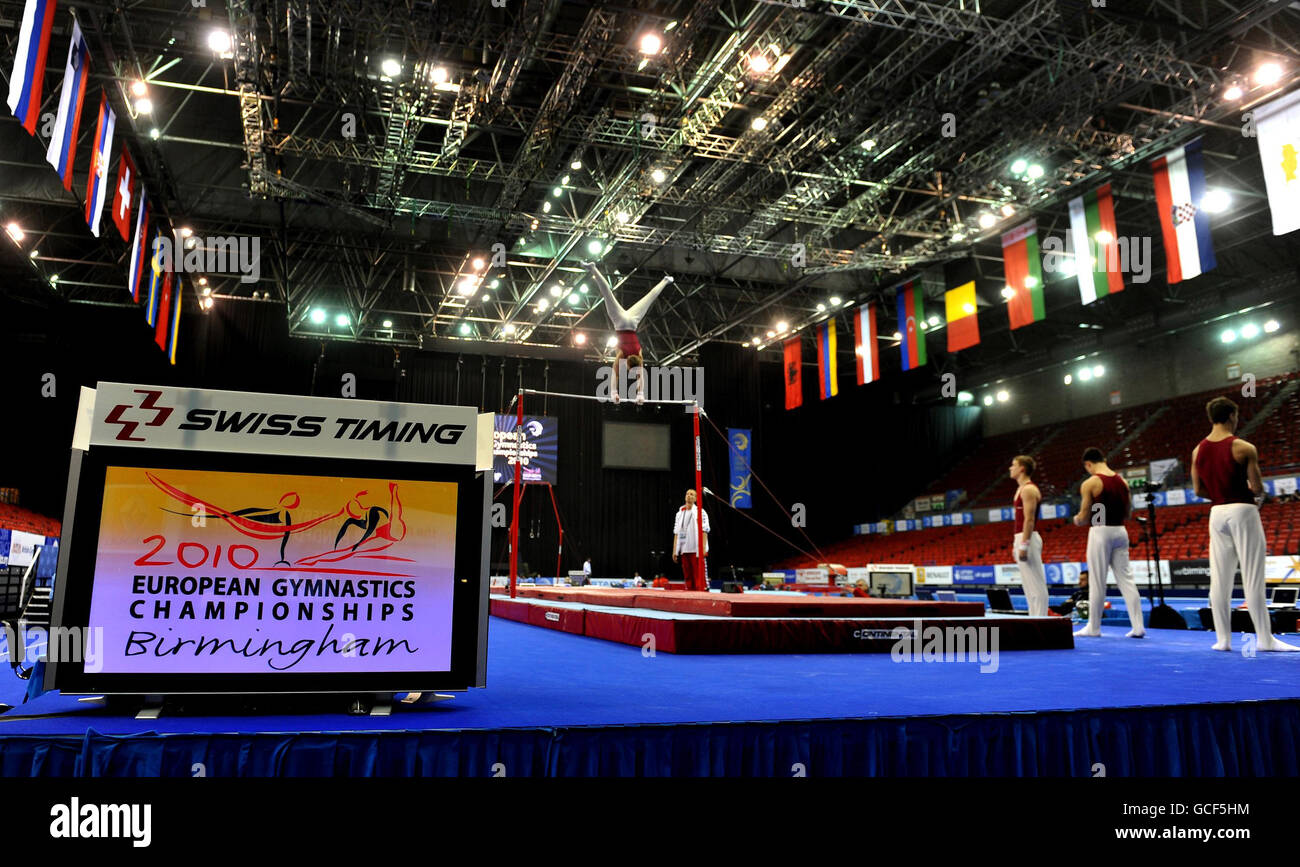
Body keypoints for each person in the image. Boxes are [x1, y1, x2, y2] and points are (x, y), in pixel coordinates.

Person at [1191, 396, 1298, 652]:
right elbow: (1258, 488)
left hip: (1216, 512)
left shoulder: (1197, 450)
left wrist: (1220, 494)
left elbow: (1198, 490)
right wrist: (1248, 493)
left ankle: (1222, 640)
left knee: (1219, 578)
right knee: (1252, 576)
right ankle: (1265, 640)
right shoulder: (1243, 447)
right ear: (1231, 416)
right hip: (1243, 509)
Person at [1071, 447, 1145, 638]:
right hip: (1120, 530)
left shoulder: (1091, 483)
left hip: (1100, 530)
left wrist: (1077, 519)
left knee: (1097, 581)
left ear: (1088, 464)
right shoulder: (1122, 481)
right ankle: (1138, 627)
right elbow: (1128, 513)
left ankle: (1093, 627)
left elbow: (1086, 515)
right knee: (1126, 580)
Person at [584, 262, 674, 403]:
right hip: (619, 322)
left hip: (633, 323)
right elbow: (615, 374)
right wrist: (614, 393)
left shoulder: (639, 355)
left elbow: (641, 377)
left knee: (649, 298)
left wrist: (640, 394)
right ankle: (592, 268)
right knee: (607, 293)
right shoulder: (622, 355)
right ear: (628, 365)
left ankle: (665, 280)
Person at [1009, 455, 1049, 617]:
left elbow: (1029, 519)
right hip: (1020, 536)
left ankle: (1041, 621)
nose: (1010, 468)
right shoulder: (1020, 489)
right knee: (1028, 586)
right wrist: (1016, 543)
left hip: (1029, 537)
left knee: (1036, 584)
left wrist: (1024, 544)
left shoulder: (1029, 489)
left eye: (1013, 465)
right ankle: (1034, 619)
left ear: (1022, 469)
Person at [671, 488, 710, 591]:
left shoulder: (701, 512)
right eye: (687, 494)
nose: (689, 495)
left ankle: (702, 592)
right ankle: (690, 593)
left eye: (692, 494)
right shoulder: (679, 514)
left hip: (696, 550)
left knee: (699, 577)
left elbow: (705, 530)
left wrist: (703, 548)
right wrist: (675, 550)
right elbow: (676, 532)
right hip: (684, 549)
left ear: (696, 499)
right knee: (688, 577)